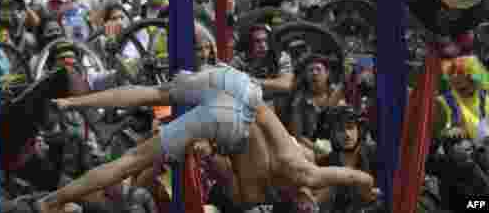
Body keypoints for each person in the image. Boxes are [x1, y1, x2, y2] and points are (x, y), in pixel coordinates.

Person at [36, 66, 377, 212]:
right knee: (131, 161)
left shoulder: (293, 170)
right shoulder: (295, 173)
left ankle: (73, 101)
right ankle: (52, 200)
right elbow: (355, 176)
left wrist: (366, 186)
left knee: (152, 95)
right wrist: (369, 187)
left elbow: (355, 177)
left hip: (234, 83)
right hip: (230, 116)